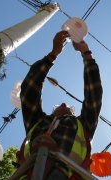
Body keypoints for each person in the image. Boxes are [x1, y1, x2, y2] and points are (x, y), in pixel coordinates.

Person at [17, 30, 103, 179]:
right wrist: (53, 54)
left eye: (69, 107)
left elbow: (94, 93)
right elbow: (30, 88)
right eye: (59, 104)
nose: (64, 103)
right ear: (53, 112)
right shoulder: (38, 122)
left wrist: (86, 53)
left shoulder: (83, 126)